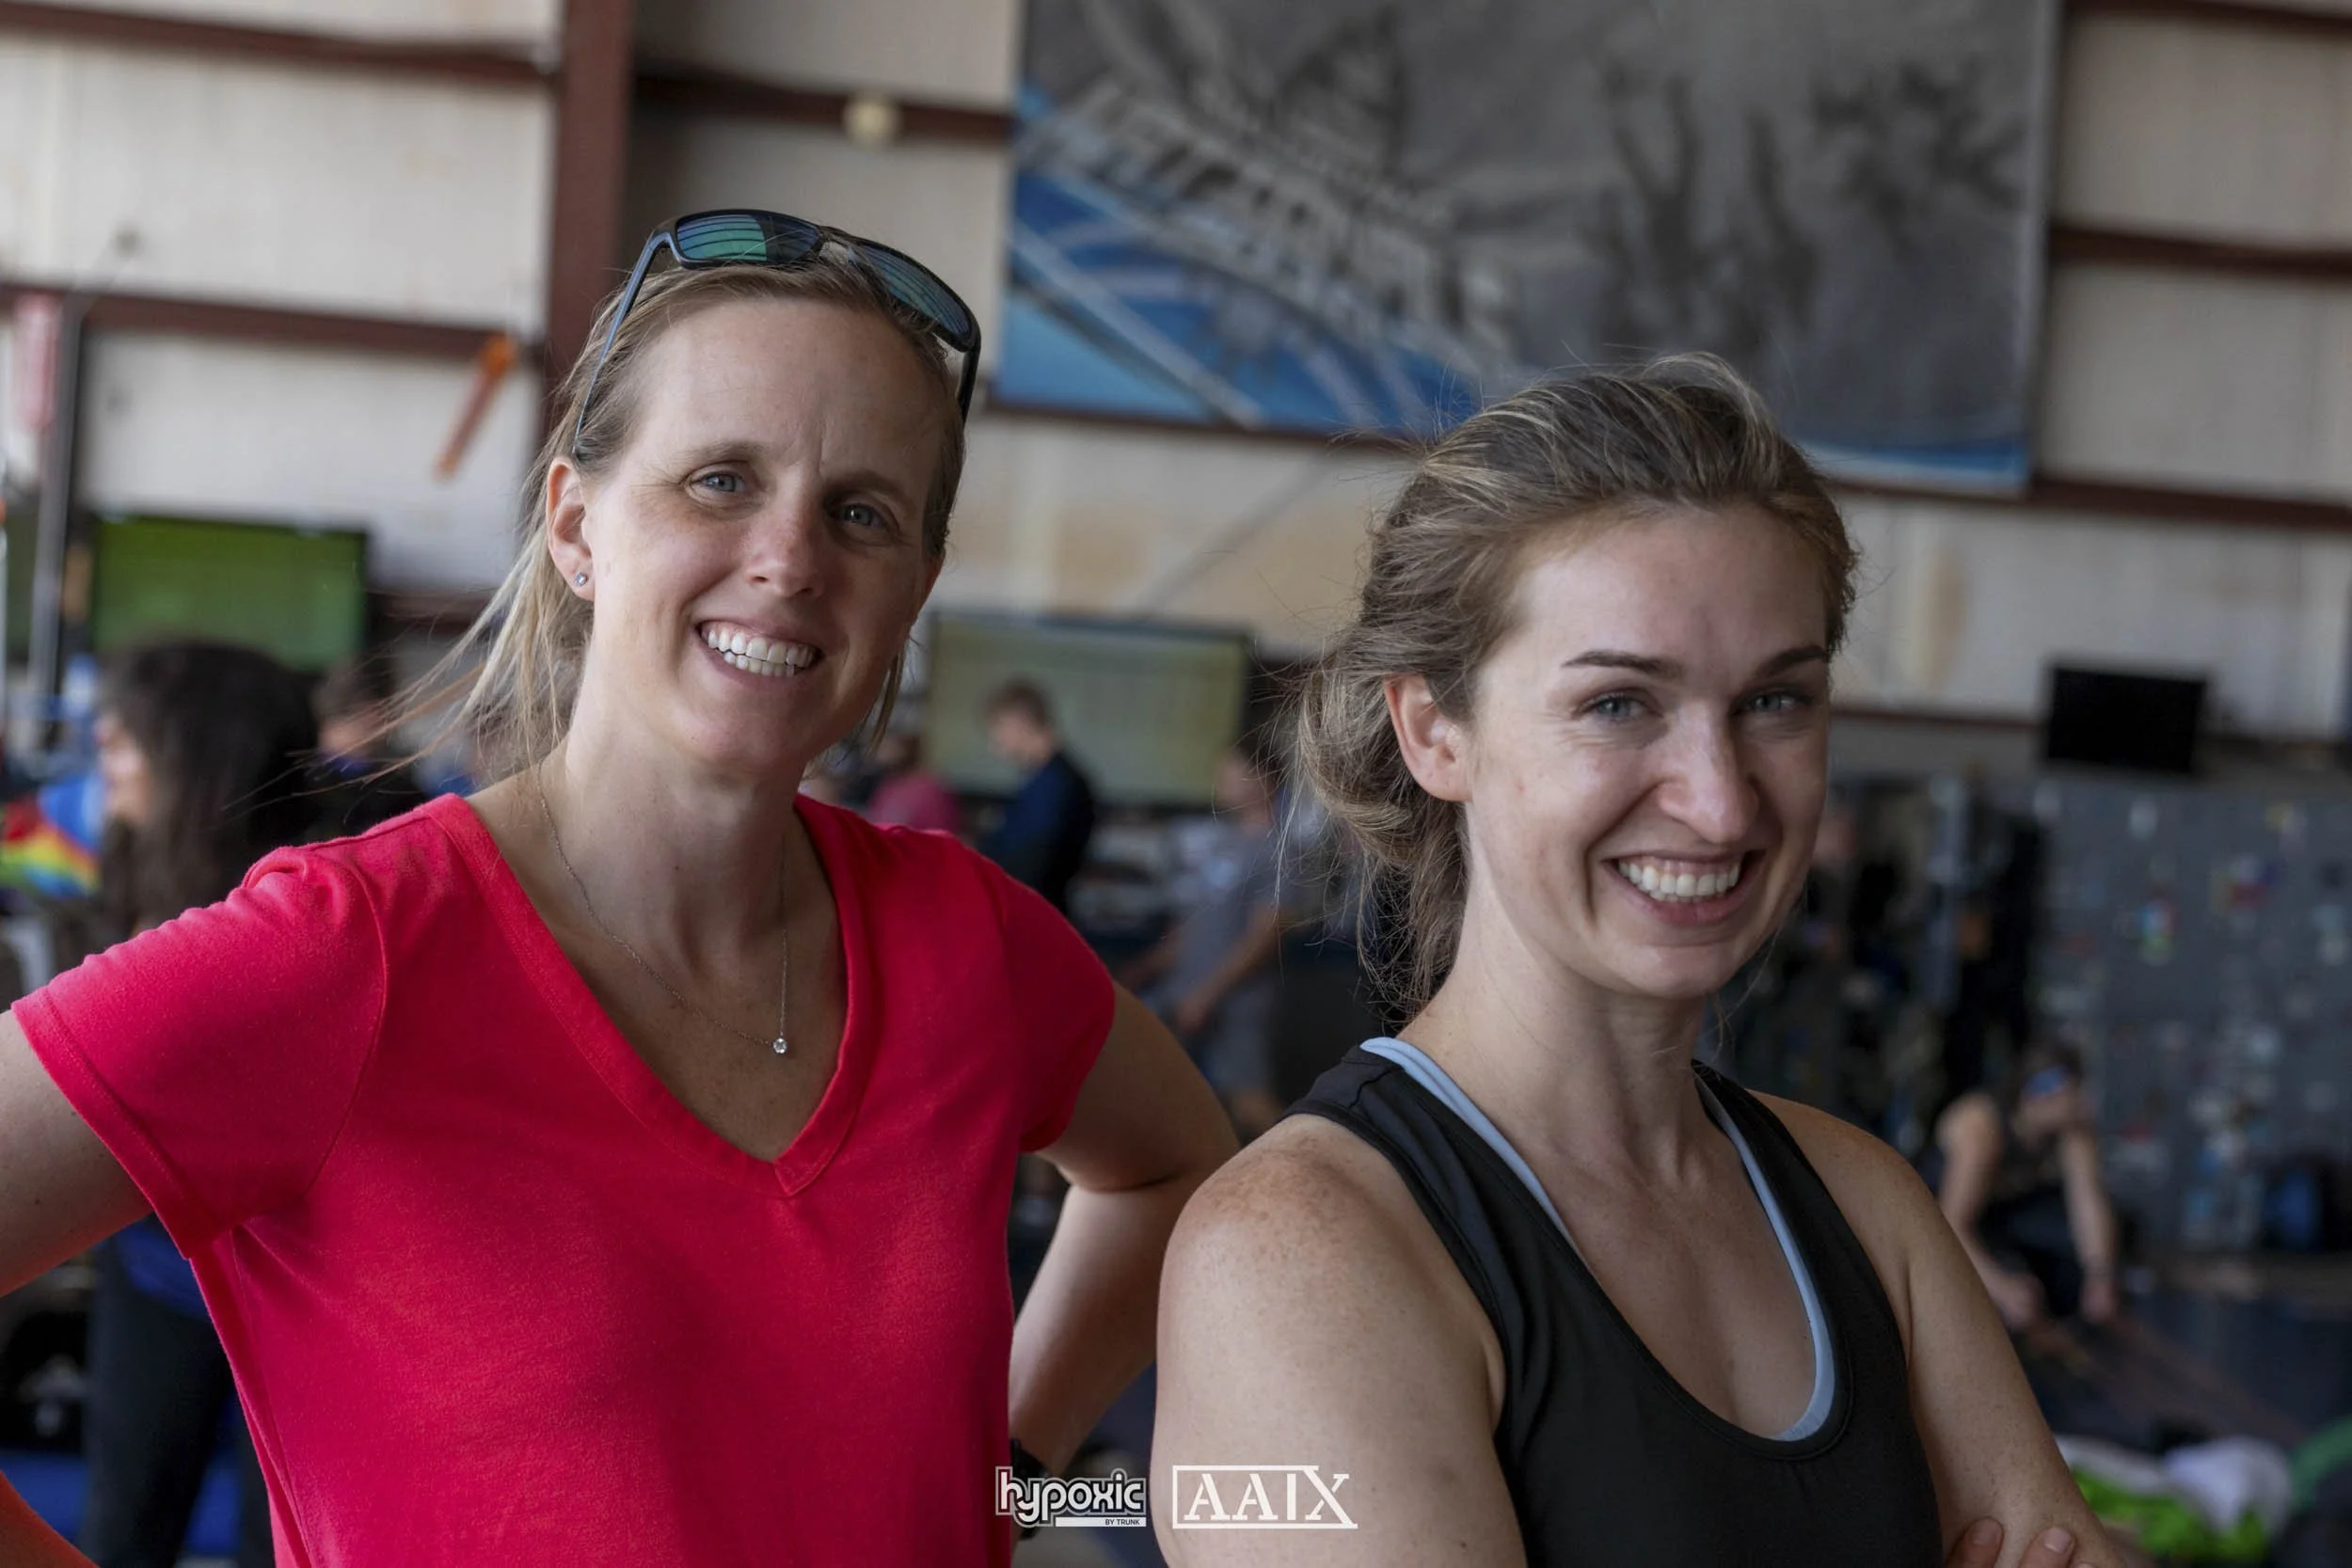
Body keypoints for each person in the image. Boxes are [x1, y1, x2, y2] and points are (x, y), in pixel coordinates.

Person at [0, 208, 1235, 1567]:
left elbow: (1177, 1164)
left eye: (862, 511)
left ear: (914, 591)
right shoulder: (346, 956)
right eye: (719, 479)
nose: (789, 557)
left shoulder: (969, 943)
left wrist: (1006, 1466)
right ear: (578, 524)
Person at [1152, 358, 2116, 1566]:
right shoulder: (1301, 1254)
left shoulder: (1868, 1207)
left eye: (1775, 701)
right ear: (1432, 730)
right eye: (1617, 704)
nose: (1718, 806)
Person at [83, 641, 318, 1568]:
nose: (103, 741)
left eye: (128, 730)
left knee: (290, 1543)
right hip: (156, 1274)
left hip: (291, 1292)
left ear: (195, 751)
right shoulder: (139, 872)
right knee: (126, 1521)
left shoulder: (293, 910)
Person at [1123, 749, 1286, 1136]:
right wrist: (1144, 968)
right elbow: (1191, 928)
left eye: (1233, 773)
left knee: (1250, 1103)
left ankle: (1306, 1179)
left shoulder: (1279, 851)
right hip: (1184, 996)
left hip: (1235, 1003)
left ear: (1264, 782)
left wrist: (1208, 994)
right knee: (1184, 1103)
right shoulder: (1218, 843)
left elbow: (1265, 935)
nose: (1222, 782)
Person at [1933, 1043, 2122, 1330]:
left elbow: (2088, 1202)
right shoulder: (1980, 1128)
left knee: (2084, 1241)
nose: (2084, 1102)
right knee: (2005, 1292)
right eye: (2074, 1093)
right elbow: (1951, 1226)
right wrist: (2001, 1288)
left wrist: (2100, 1277)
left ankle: (2056, 1319)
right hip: (1943, 1223)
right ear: (2043, 1094)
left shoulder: (2070, 1129)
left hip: (1999, 1214)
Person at [979, 679, 1096, 911]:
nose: (995, 744)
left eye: (998, 730)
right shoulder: (1046, 779)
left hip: (1032, 912)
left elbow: (1030, 864)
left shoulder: (1054, 785)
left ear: (1018, 723)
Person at [305, 655, 432, 838]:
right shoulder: (394, 789)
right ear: (371, 709)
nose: (396, 717)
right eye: (392, 703)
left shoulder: (289, 779)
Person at [863, 724, 961, 834]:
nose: (879, 752)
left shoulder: (930, 790)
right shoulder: (887, 785)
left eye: (887, 743)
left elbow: (939, 838)